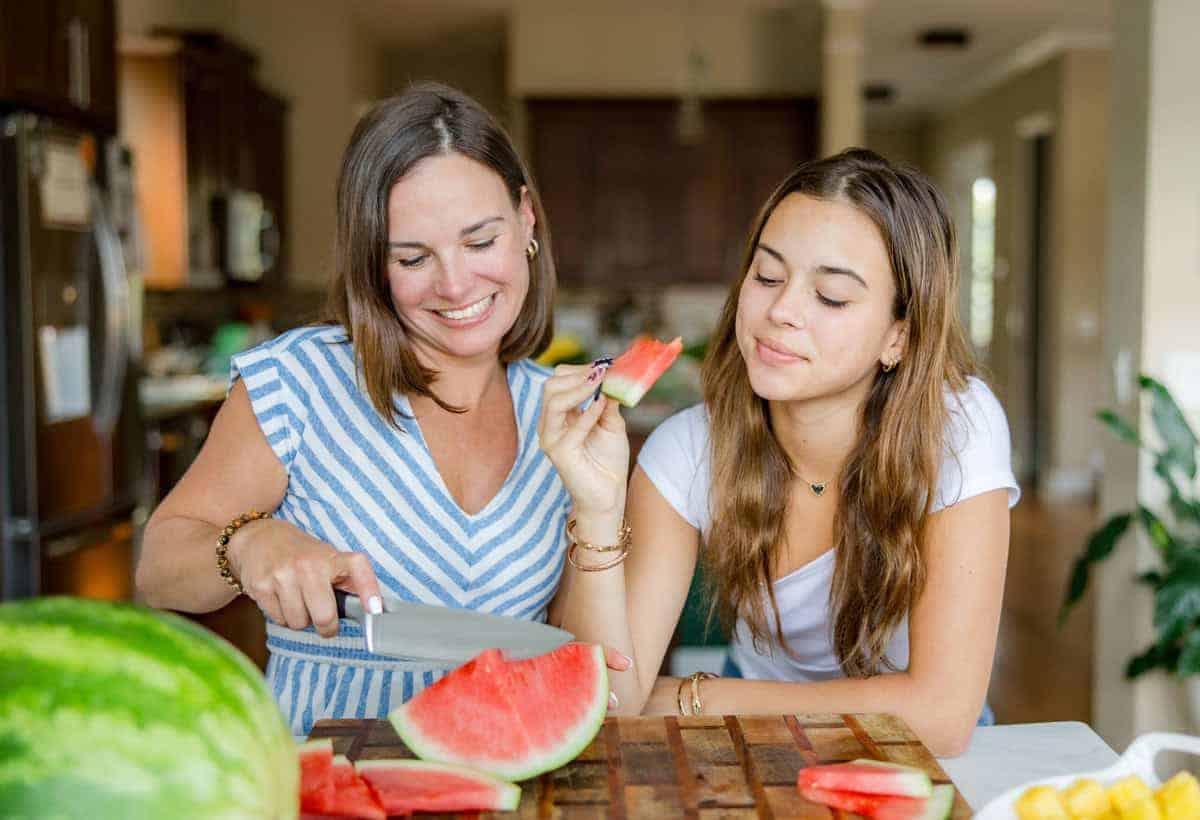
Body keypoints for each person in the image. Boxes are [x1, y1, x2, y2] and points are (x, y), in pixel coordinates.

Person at [136, 83, 623, 736]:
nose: (455, 284)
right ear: (375, 263)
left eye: (480, 242)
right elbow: (158, 572)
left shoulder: (561, 414)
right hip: (328, 781)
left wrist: (597, 511)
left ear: (526, 219)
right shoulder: (300, 381)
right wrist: (245, 543)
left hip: (516, 782)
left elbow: (594, 683)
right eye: (413, 257)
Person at [539, 148, 1018, 757]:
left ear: (900, 334)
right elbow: (608, 701)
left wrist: (697, 700)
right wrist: (598, 511)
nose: (780, 312)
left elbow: (944, 717)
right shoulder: (688, 448)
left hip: (893, 747)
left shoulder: (960, 426)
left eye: (833, 297)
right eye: (766, 277)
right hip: (753, 736)